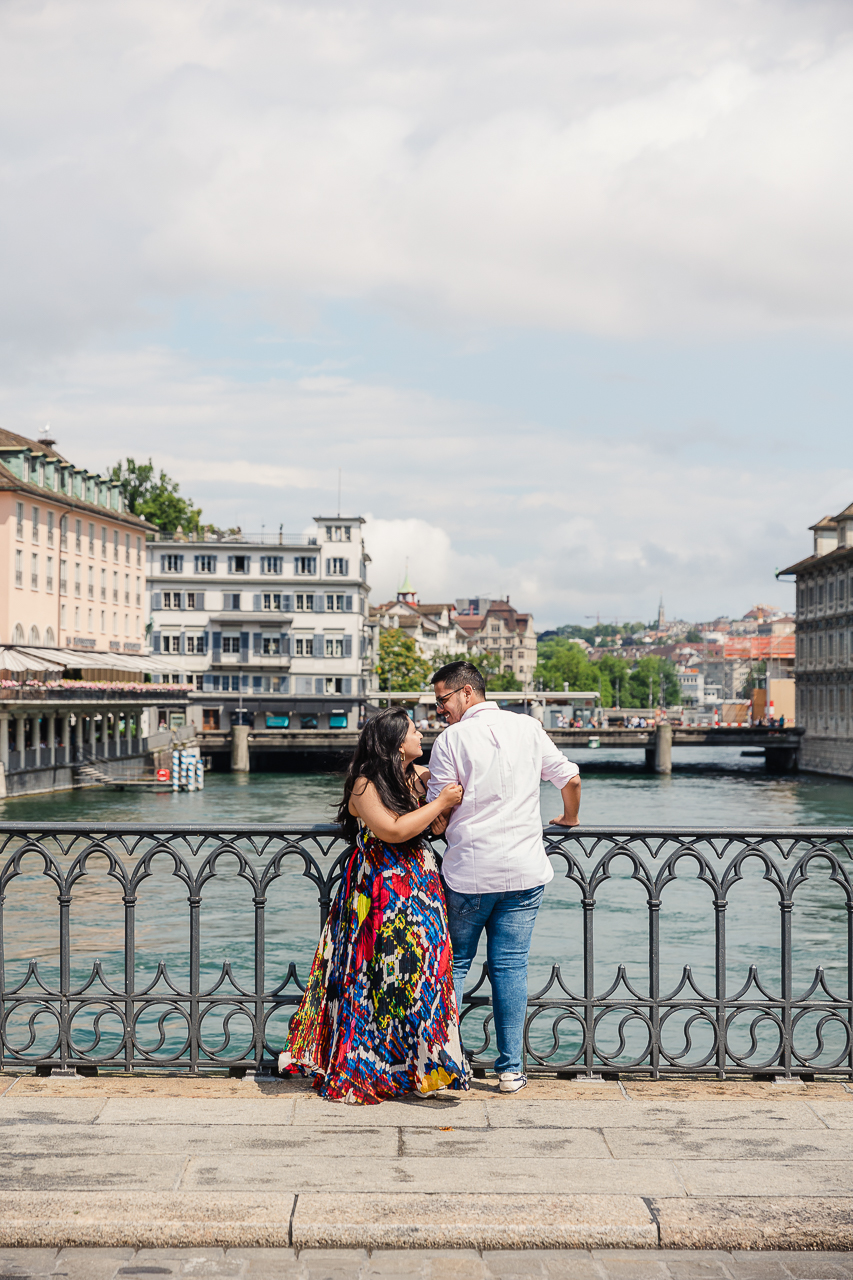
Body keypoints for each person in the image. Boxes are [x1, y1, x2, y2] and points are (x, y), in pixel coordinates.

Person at [278, 707, 469, 1105]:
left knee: (423, 976)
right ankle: (374, 1066)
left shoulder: (411, 778)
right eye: (415, 730)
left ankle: (422, 1069)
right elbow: (392, 829)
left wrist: (438, 810)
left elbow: (430, 806)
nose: (422, 735)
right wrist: (439, 805)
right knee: (373, 977)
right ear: (399, 742)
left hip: (417, 888)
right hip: (379, 890)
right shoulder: (365, 784)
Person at [427, 661, 581, 1094]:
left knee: (454, 965)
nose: (439, 708)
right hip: (525, 869)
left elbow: (441, 812)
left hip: (470, 873)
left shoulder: (451, 740)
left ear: (466, 693)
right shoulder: (528, 728)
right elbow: (570, 777)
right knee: (510, 966)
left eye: (443, 699)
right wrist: (569, 817)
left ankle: (445, 1065)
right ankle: (511, 1069)